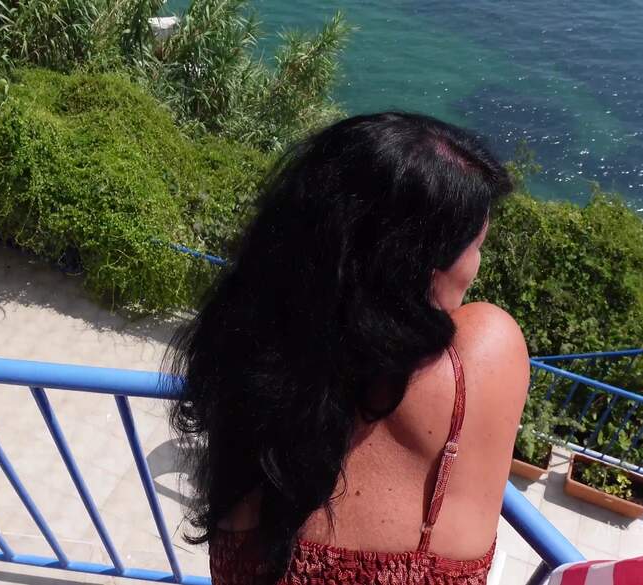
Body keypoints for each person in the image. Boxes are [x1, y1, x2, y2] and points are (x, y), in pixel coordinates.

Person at [165, 112, 530, 585]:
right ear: (416, 267)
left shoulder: (249, 356)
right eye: (476, 245)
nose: (476, 265)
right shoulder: (485, 349)